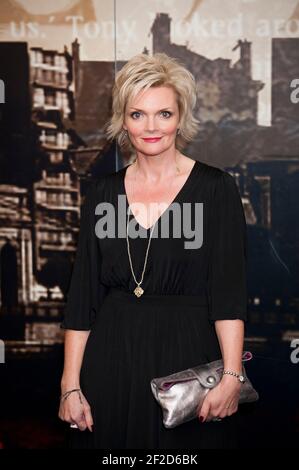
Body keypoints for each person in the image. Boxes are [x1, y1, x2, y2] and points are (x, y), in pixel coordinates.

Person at [58, 52, 248, 449]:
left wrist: (232, 377)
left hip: (188, 361)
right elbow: (83, 298)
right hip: (111, 360)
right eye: (137, 114)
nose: (151, 127)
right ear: (123, 120)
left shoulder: (215, 189)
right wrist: (69, 386)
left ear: (181, 118)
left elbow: (229, 296)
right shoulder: (103, 192)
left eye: (164, 114)